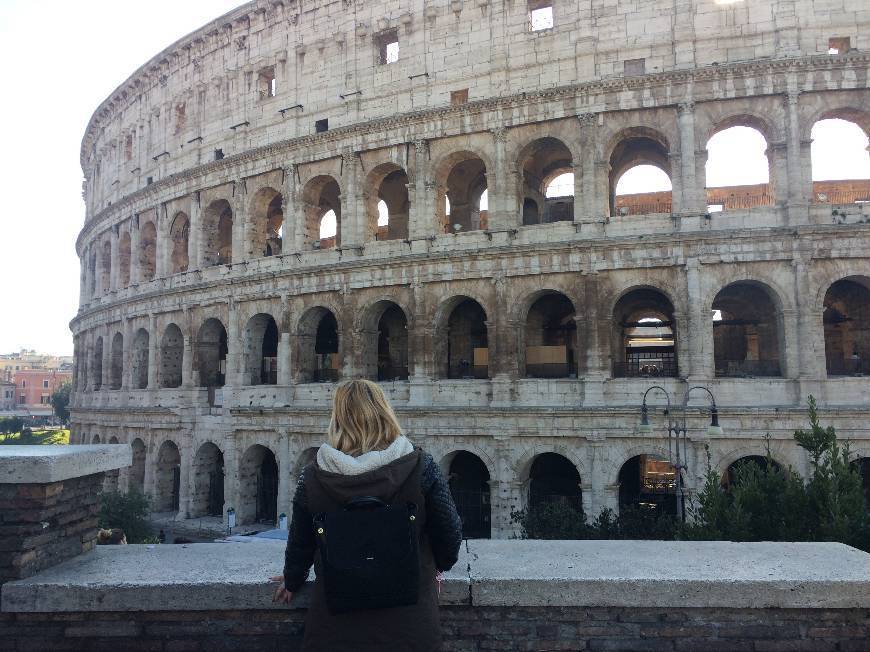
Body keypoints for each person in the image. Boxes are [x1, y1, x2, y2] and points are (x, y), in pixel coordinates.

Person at [271, 379, 462, 652]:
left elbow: (301, 542)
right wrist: (437, 567)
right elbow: (450, 533)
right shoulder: (420, 466)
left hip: (336, 625)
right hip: (409, 621)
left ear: (337, 418)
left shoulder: (314, 476)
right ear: (384, 412)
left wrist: (292, 579)